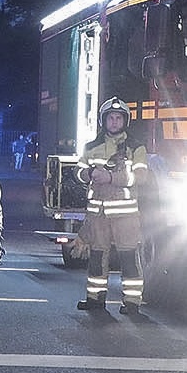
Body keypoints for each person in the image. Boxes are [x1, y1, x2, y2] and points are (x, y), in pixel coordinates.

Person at [75, 98, 149, 313]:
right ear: (103, 121)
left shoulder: (136, 148)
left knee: (128, 259)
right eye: (110, 118)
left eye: (118, 118)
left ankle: (132, 303)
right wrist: (88, 173)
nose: (114, 122)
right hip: (98, 215)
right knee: (97, 258)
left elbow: (142, 177)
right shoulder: (91, 148)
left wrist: (110, 178)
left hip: (126, 215)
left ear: (125, 121)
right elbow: (78, 173)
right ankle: (95, 299)